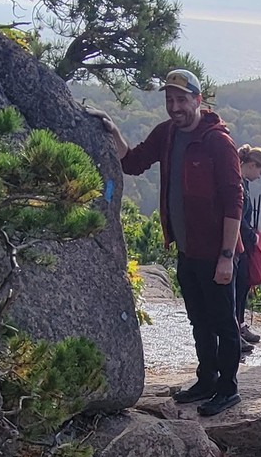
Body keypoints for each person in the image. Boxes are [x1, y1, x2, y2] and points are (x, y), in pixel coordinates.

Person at [95, 69, 243, 415]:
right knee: (199, 320)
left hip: (216, 253)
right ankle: (206, 380)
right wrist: (113, 131)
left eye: (181, 100)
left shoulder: (217, 142)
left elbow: (234, 201)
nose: (175, 107)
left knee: (223, 323)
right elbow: (134, 162)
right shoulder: (167, 133)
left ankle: (227, 388)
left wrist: (226, 256)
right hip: (187, 250)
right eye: (169, 100)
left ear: (198, 100)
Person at [233, 146, 261, 346]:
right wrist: (251, 236)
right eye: (260, 172)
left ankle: (239, 325)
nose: (259, 177)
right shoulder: (237, 183)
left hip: (243, 243)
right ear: (252, 165)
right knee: (238, 287)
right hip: (238, 243)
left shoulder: (243, 183)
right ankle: (234, 330)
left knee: (243, 285)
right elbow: (237, 216)